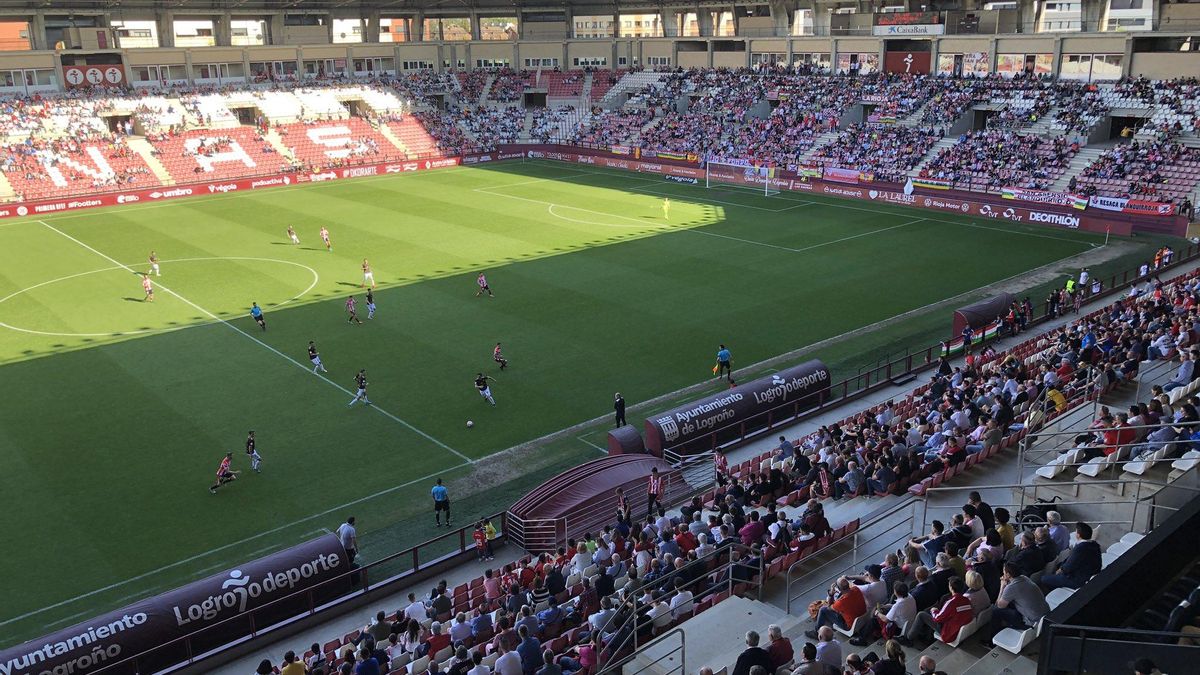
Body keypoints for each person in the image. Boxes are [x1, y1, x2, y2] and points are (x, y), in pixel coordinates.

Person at [984, 563, 1049, 648]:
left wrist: (1002, 586)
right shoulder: (1024, 578)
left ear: (1008, 574)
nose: (1002, 574)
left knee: (996, 611)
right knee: (1008, 603)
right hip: (1044, 616)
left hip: (1031, 623)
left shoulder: (1011, 588)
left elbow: (999, 605)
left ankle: (991, 642)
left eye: (1004, 572)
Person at [1041, 522, 1102, 591]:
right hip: (1088, 573)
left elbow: (1068, 568)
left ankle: (1057, 591)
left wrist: (1060, 570)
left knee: (1044, 579)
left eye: (1076, 531)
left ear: (1078, 535)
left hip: (1077, 580)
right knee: (1059, 566)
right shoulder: (1094, 545)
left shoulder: (1080, 548)